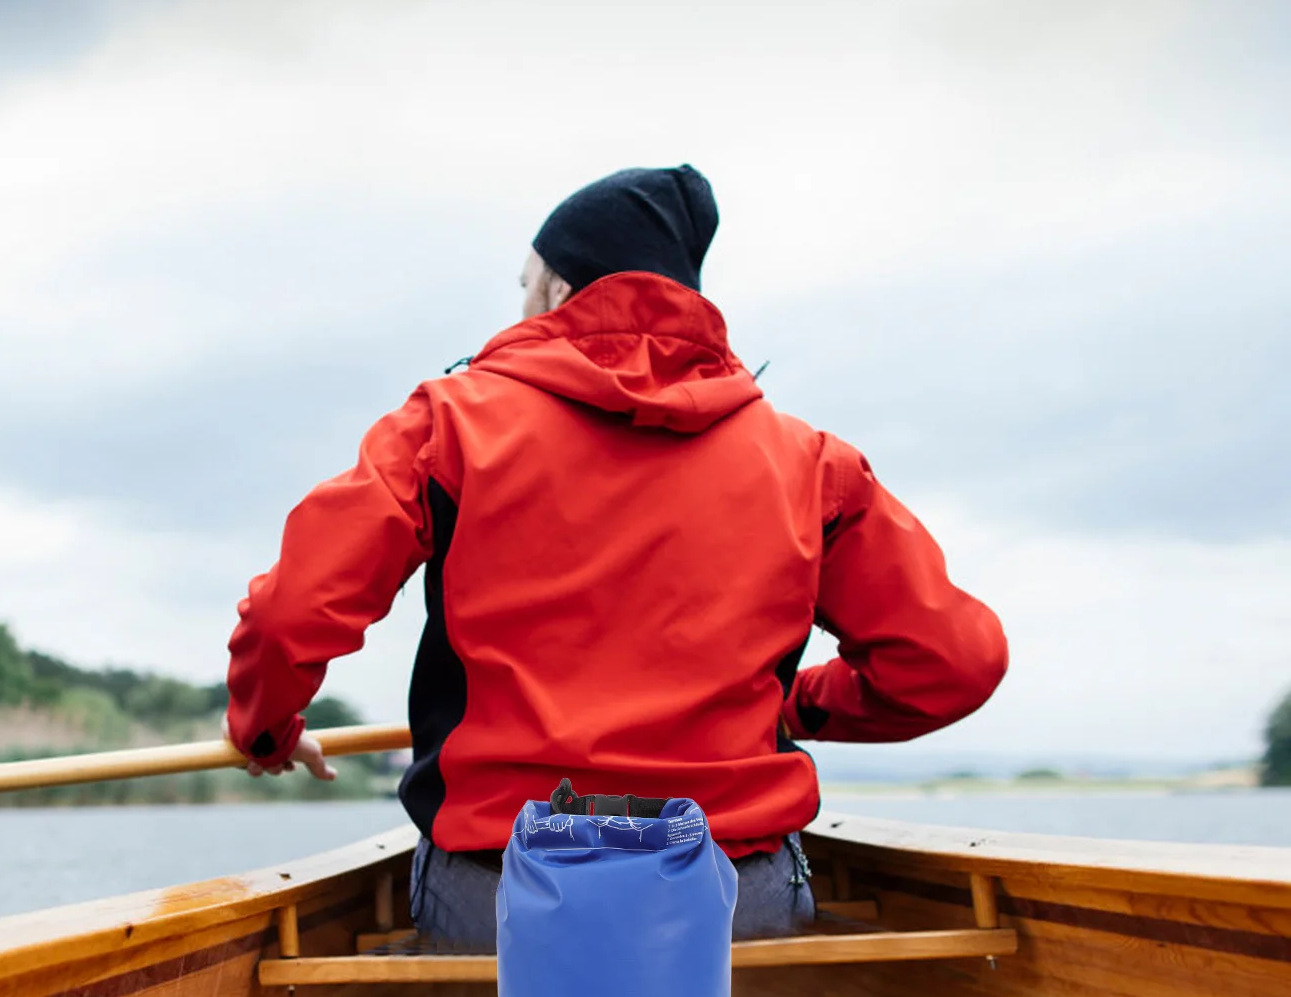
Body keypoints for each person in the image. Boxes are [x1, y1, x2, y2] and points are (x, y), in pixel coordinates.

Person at [224, 165, 1008, 948]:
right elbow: (954, 662)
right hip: (734, 898)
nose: (522, 305)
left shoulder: (448, 427)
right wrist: (794, 705)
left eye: (526, 285)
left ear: (560, 291)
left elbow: (293, 614)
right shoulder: (811, 465)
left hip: (504, 898)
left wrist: (268, 728)